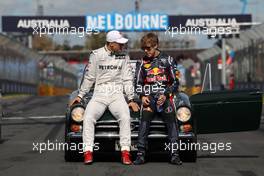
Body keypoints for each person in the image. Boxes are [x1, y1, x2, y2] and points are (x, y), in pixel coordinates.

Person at [70, 30, 140, 165]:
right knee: (88, 117)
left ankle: (125, 152)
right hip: (99, 93)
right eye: (119, 44)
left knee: (125, 117)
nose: (122, 46)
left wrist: (131, 99)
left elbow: (127, 79)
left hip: (117, 93)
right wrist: (80, 95)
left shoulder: (124, 56)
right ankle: (88, 152)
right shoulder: (96, 55)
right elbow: (90, 78)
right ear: (111, 44)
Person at [133, 33, 182, 165]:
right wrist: (142, 96)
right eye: (143, 48)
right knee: (144, 119)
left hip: (164, 98)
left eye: (148, 48)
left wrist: (165, 94)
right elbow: (137, 83)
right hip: (149, 98)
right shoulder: (141, 62)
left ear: (156, 45)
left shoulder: (168, 60)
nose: (145, 51)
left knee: (171, 118)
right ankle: (141, 154)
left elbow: (175, 82)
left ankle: (174, 154)